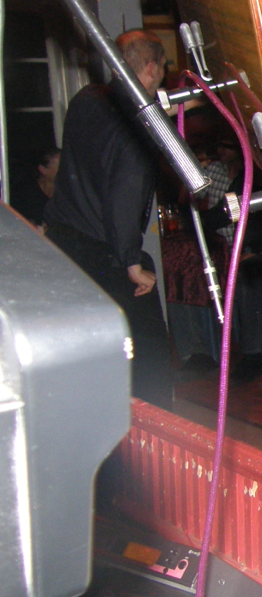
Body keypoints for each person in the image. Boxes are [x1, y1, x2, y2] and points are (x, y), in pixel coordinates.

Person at [44, 29, 173, 408]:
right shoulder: (136, 124)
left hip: (65, 244)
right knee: (146, 357)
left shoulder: (86, 98)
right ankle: (149, 430)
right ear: (152, 68)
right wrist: (131, 263)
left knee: (90, 353)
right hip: (104, 252)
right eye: (163, 68)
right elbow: (124, 195)